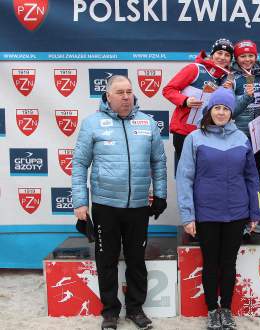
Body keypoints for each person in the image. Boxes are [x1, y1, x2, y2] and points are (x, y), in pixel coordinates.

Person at [72, 75, 167, 330]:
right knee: (107, 260)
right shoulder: (92, 124)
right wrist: (80, 202)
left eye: (129, 91)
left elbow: (158, 162)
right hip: (105, 206)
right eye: (120, 92)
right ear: (108, 96)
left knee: (136, 259)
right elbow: (80, 164)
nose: (126, 97)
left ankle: (135, 309)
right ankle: (110, 312)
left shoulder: (147, 123)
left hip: (137, 206)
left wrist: (160, 194)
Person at [176, 87, 260, 330]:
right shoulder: (195, 138)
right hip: (207, 212)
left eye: (226, 108)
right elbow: (184, 178)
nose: (221, 112)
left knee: (229, 262)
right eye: (217, 108)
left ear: (232, 112)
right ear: (209, 110)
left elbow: (252, 178)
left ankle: (226, 309)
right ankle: (212, 310)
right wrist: (188, 215)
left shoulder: (242, 139)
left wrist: (254, 212)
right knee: (211, 263)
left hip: (237, 212)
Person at [162, 38, 234, 169]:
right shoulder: (194, 69)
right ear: (212, 54)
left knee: (204, 174)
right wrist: (185, 100)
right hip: (184, 132)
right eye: (219, 53)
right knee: (187, 173)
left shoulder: (225, 79)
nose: (222, 57)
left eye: (227, 55)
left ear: (230, 60)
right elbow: (168, 90)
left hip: (207, 132)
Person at [231, 39, 260, 177]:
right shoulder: (231, 78)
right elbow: (230, 113)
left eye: (251, 55)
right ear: (236, 58)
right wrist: (246, 97)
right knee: (238, 171)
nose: (247, 59)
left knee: (257, 171)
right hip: (239, 133)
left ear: (256, 57)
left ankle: (255, 199)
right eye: (243, 56)